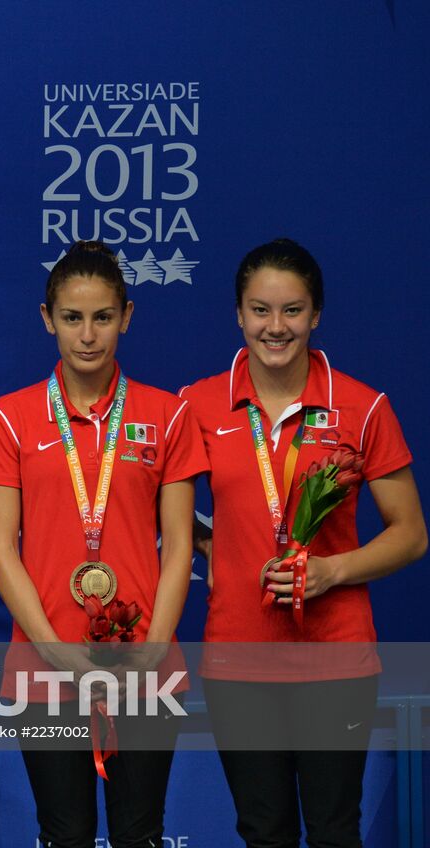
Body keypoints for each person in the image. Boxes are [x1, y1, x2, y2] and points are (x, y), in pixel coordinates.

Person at [181, 238, 427, 847]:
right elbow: (158, 507)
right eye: (260, 310)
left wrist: (331, 571)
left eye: (292, 310)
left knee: (333, 832)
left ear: (315, 315)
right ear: (238, 314)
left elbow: (410, 534)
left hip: (335, 656)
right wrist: (210, 544)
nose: (276, 326)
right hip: (238, 656)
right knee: (263, 832)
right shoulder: (197, 404)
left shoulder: (362, 406)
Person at [0, 240, 207, 848]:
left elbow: (180, 544)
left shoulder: (169, 415)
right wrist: (56, 652)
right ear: (47, 319)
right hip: (42, 668)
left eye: (103, 317)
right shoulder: (8, 418)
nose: (88, 335)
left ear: (127, 316)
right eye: (72, 317)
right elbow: (2, 552)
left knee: (140, 834)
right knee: (64, 833)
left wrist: (155, 649)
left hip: (145, 666)